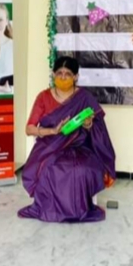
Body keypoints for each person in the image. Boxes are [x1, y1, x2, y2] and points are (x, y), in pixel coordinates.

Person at [19, 55, 116, 223]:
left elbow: (98, 129)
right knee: (50, 168)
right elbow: (29, 129)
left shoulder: (84, 97)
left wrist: (88, 124)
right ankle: (50, 210)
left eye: (68, 74)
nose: (63, 77)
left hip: (80, 146)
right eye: (59, 73)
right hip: (49, 146)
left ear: (76, 77)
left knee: (81, 168)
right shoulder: (43, 97)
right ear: (53, 74)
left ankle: (78, 210)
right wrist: (53, 130)